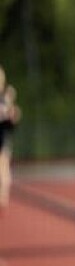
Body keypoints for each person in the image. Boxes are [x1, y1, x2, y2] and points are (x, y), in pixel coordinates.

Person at [0, 65, 21, 210]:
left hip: (2, 139)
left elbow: (12, 121)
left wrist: (13, 115)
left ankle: (3, 196)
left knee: (3, 168)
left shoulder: (5, 101)